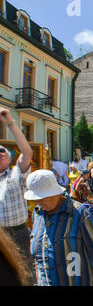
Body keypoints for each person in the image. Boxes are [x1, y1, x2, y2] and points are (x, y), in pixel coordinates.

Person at [26, 170, 93, 286]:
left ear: (55, 193)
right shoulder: (37, 214)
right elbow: (38, 260)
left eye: (42, 198)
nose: (37, 202)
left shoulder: (79, 214)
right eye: (35, 198)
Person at [0, 107, 33, 285]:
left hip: (18, 233)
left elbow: (27, 152)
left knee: (24, 275)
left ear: (10, 158)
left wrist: (10, 123)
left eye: (2, 151)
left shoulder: (15, 173)